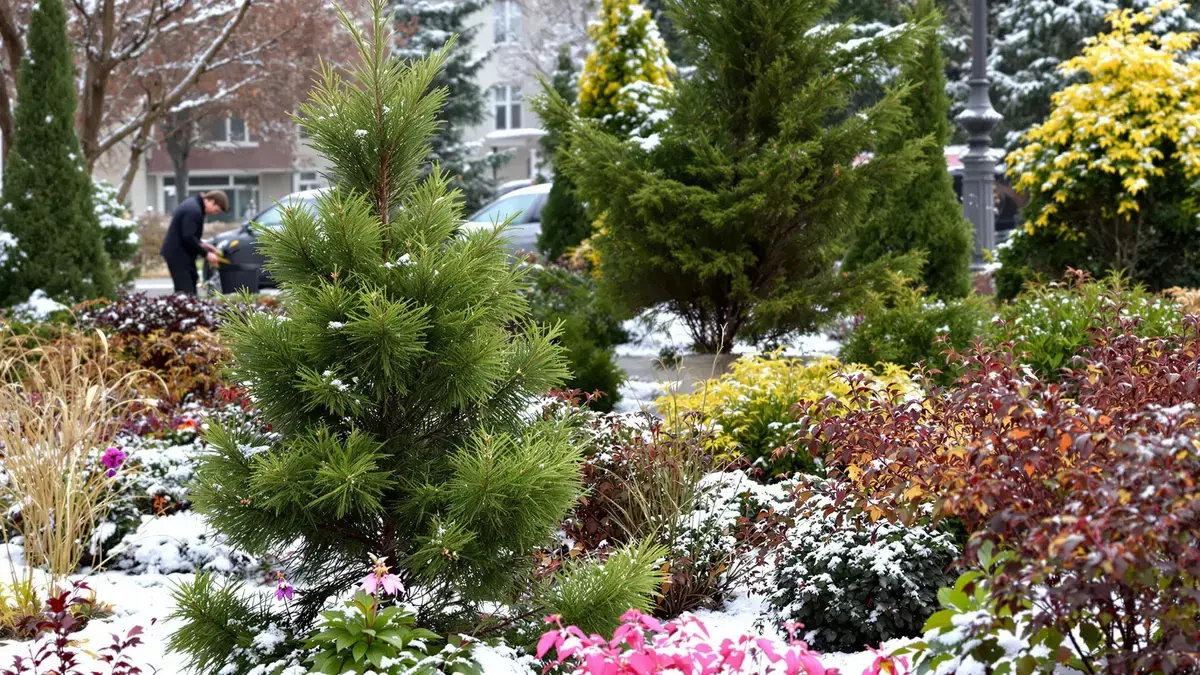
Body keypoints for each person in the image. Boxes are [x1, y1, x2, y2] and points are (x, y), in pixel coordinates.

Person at [160, 190, 228, 295]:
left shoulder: (194, 205)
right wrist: (206, 254)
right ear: (211, 201)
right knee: (186, 291)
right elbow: (188, 236)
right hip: (178, 254)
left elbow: (189, 234)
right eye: (216, 210)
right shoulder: (194, 210)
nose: (214, 213)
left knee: (190, 284)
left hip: (181, 253)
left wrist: (205, 246)